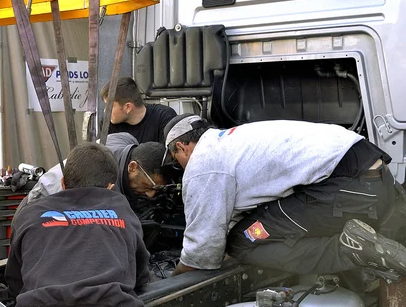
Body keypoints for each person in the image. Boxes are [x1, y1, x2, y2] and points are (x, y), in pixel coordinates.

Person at [162, 114, 406, 278]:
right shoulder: (233, 141)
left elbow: (202, 249)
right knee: (263, 226)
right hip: (378, 180)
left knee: (242, 242)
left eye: (176, 160)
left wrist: (174, 277)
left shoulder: (203, 162)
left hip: (350, 189)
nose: (181, 167)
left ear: (182, 147)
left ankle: (349, 249)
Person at [5, 142, 150, 307]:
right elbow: (139, 274)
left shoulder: (30, 214)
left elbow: (14, 280)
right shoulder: (121, 209)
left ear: (63, 183)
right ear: (111, 186)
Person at [22, 133, 168, 210]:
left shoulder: (126, 141)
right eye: (150, 186)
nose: (151, 194)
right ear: (132, 167)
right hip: (40, 202)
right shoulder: (104, 180)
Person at [103, 76, 177, 144]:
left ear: (128, 107)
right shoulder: (108, 124)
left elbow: (168, 155)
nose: (105, 111)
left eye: (110, 106)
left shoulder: (164, 117)